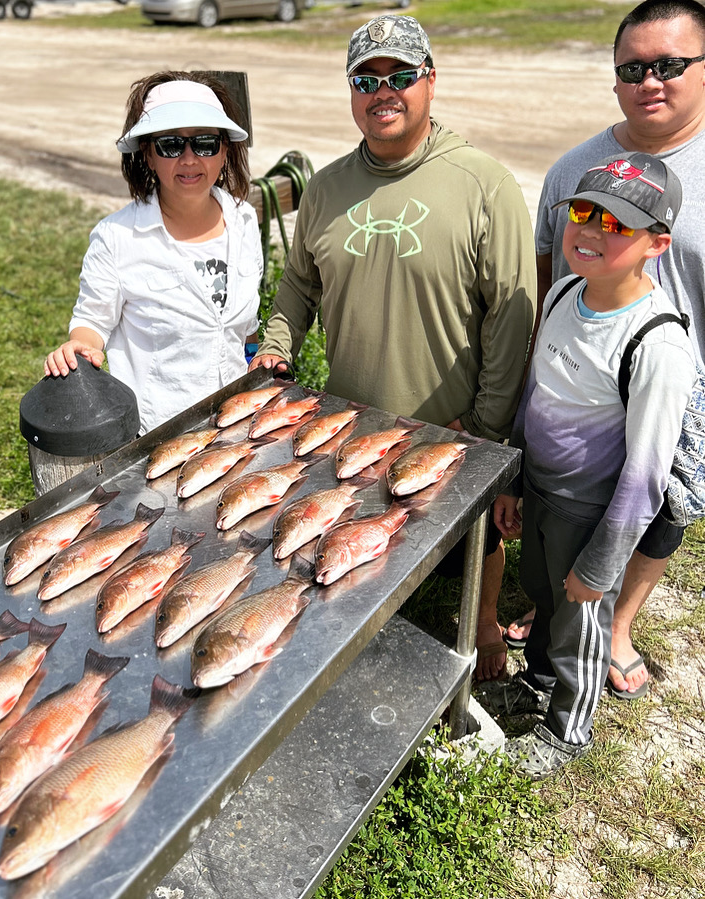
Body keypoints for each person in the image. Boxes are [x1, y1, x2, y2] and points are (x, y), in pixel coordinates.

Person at [249, 14, 536, 681]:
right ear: (351, 91)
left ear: (429, 82)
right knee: (355, 534)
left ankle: (484, 621)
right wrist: (275, 344)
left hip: (451, 424)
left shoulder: (482, 184)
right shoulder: (325, 187)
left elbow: (509, 320)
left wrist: (484, 426)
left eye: (401, 76)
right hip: (351, 421)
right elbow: (297, 285)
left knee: (477, 537)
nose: (385, 91)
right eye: (366, 79)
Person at [504, 0, 705, 699]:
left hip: (681, 375)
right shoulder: (574, 169)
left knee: (660, 504)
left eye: (670, 65)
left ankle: (613, 623)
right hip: (585, 369)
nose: (650, 80)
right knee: (569, 507)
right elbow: (547, 277)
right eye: (632, 68)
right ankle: (559, 606)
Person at [488, 153, 696, 779]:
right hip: (544, 492)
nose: (592, 230)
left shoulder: (656, 343)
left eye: (617, 223)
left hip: (593, 510)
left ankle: (568, 729)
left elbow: (646, 476)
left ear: (657, 244)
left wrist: (603, 564)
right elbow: (537, 392)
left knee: (582, 617)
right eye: (583, 212)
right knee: (545, 597)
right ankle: (541, 682)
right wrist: (517, 481)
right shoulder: (562, 292)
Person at [44, 72, 263, 434]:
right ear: (147, 153)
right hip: (161, 435)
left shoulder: (244, 221)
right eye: (170, 145)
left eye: (205, 143)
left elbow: (246, 330)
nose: (190, 159)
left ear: (225, 151)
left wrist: (257, 368)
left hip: (241, 423)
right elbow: (92, 323)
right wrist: (78, 349)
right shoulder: (116, 237)